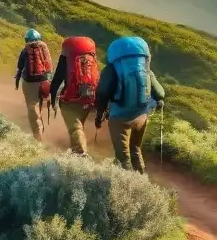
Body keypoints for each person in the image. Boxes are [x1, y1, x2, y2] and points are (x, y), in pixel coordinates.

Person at [95, 36, 164, 174]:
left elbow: (102, 93)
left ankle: (127, 185)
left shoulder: (111, 69)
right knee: (135, 150)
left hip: (120, 118)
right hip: (141, 117)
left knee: (123, 158)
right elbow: (160, 93)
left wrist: (99, 115)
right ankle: (141, 180)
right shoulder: (146, 69)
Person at [49, 36, 101, 155]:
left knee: (75, 128)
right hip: (89, 99)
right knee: (79, 126)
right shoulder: (92, 59)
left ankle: (81, 156)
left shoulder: (66, 57)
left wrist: (53, 102)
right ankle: (76, 150)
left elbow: (57, 80)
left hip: (71, 99)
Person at [15, 29, 54, 141]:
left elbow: (20, 68)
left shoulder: (25, 51)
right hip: (45, 83)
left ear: (27, 39)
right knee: (39, 103)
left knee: (32, 107)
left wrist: (17, 81)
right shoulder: (45, 48)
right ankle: (42, 123)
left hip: (30, 83)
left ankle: (38, 138)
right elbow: (49, 67)